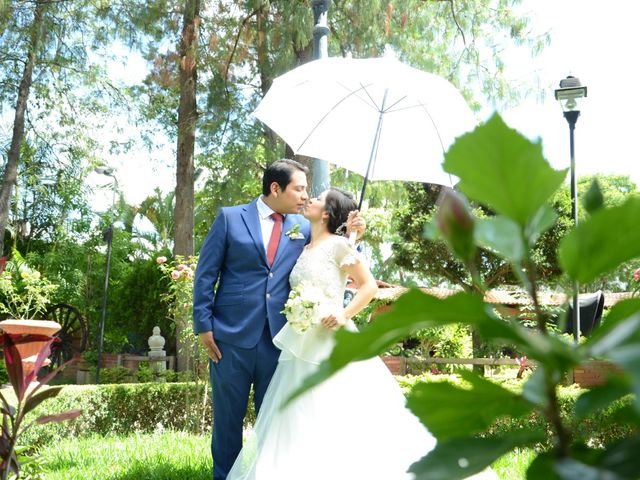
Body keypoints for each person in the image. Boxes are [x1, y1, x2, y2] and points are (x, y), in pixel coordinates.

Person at [226, 187, 499, 480]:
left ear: (328, 212)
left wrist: (342, 313)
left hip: (333, 338)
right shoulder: (305, 244)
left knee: (338, 411)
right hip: (301, 340)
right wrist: (353, 235)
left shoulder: (339, 246)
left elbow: (367, 286)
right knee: (297, 411)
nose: (310, 199)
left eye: (317, 198)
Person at [193, 160, 363, 480]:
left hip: (280, 342)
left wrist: (353, 234)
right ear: (275, 188)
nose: (304, 196)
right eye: (299, 188)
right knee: (227, 423)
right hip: (230, 340)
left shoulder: (301, 228)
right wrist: (204, 326)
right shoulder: (230, 218)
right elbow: (206, 274)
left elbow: (332, 256)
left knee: (275, 424)